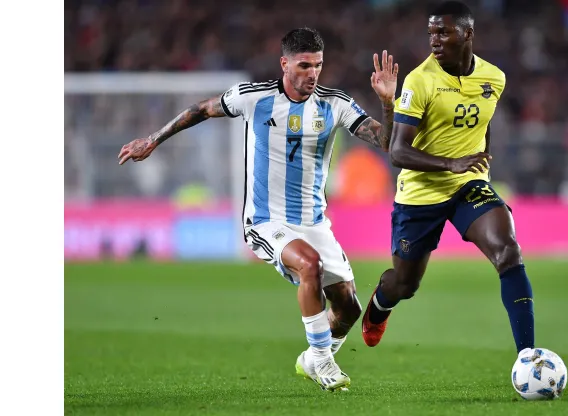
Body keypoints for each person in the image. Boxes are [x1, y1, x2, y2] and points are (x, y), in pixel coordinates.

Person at [118, 27, 399, 392]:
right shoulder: (255, 97)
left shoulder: (335, 104)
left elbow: (387, 142)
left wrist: (388, 102)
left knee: (348, 309)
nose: (312, 74)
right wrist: (153, 140)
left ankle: (310, 360)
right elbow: (201, 109)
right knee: (309, 265)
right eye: (303, 65)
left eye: (318, 65)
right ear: (284, 63)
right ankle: (323, 361)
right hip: (267, 220)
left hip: (314, 222)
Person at [361, 1, 537, 361]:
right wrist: (450, 162)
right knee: (405, 285)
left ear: (468, 34)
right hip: (421, 194)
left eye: (443, 32)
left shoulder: (494, 78)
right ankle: (379, 306)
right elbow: (398, 152)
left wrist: (476, 160)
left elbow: (481, 123)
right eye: (431, 33)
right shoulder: (420, 80)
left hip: (468, 185)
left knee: (509, 252)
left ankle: (528, 356)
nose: (435, 40)